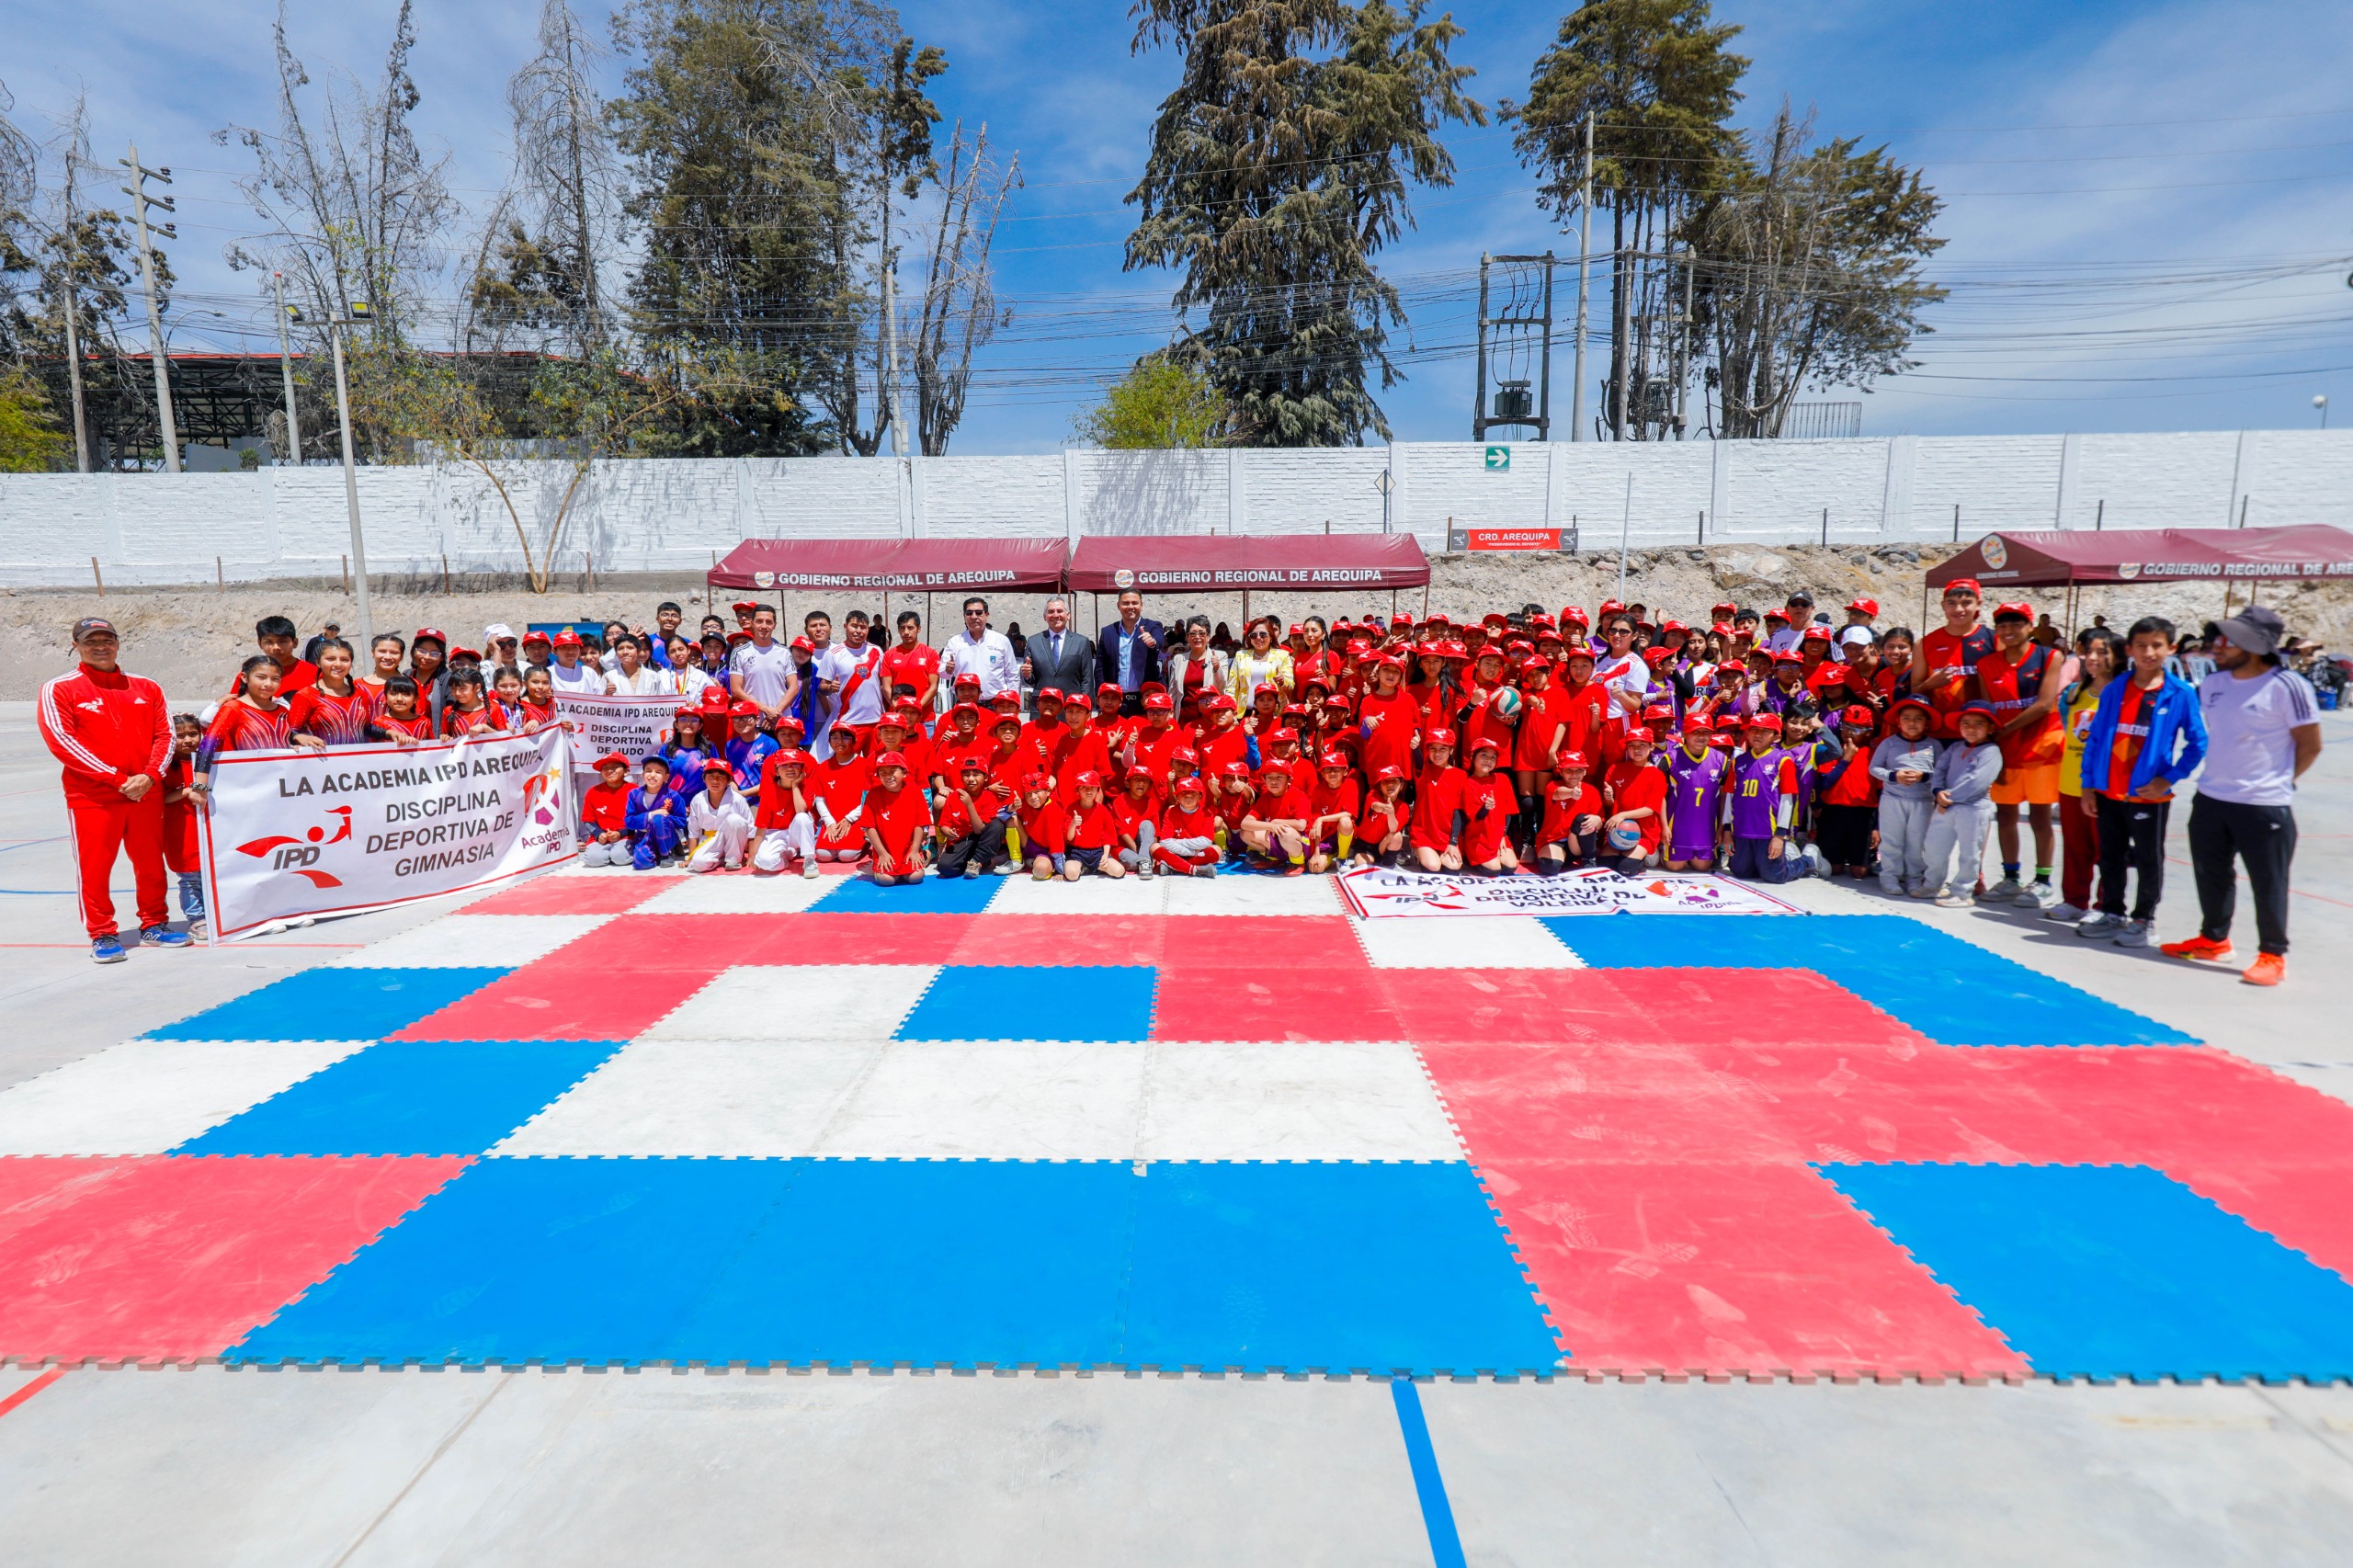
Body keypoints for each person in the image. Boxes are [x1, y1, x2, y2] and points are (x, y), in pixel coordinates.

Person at [2164, 604, 2323, 985]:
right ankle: (2214, 940)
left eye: (2224, 640)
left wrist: (2282, 780)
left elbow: (2310, 745)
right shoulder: (2215, 685)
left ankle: (2272, 954)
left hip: (2264, 804)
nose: (2214, 646)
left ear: (2252, 644)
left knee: (2268, 880)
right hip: (2212, 797)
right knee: (2210, 873)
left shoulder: (2288, 686)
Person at [39, 618, 183, 961]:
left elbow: (166, 735)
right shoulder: (60, 688)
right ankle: (102, 933)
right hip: (93, 797)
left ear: (118, 643)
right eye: (91, 641)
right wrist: (118, 780)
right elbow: (62, 742)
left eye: (107, 639)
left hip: (145, 792)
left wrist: (149, 777)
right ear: (76, 645)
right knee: (95, 867)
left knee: (150, 862)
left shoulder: (146, 687)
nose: (100, 646)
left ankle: (154, 924)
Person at [2077, 616, 2208, 948]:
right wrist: (2088, 785)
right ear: (2129, 649)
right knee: (2110, 856)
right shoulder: (2115, 689)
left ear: (2171, 649)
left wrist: (2168, 778)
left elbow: (2198, 743)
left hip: (2149, 797)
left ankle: (2144, 919)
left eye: (2156, 645)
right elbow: (2094, 740)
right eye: (2141, 645)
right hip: (2108, 791)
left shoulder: (2179, 694)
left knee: (2149, 860)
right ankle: (2111, 912)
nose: (2148, 652)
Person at [1977, 602, 2072, 908]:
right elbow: (1987, 708)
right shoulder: (1987, 664)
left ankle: (2043, 881)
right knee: (2005, 815)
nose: (2008, 631)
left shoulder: (2049, 657)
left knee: (2040, 817)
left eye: (2015, 624)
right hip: (2006, 752)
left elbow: (2045, 704)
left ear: (2030, 627)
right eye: (2002, 626)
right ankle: (2010, 878)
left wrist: (2002, 731)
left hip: (2042, 748)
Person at [2046, 628, 2119, 922]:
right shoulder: (2073, 694)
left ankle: (2105, 905)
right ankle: (2075, 900)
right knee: (2076, 848)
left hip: (2106, 785)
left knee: (2107, 850)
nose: (2094, 658)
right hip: (2071, 781)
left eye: (2103, 652)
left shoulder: (2122, 694)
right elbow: (2070, 734)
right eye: (2089, 651)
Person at [1919, 701, 2003, 907]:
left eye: (1979, 724)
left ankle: (1963, 892)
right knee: (1934, 847)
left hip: (1973, 807)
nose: (1971, 728)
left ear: (1990, 727)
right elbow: (1939, 769)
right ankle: (1932, 884)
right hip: (1944, 804)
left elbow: (1978, 780)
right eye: (1966, 723)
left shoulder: (1991, 751)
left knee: (1970, 852)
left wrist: (1949, 798)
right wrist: (1937, 791)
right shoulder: (1956, 747)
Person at [1871, 697, 1943, 898]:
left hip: (1922, 802)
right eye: (1907, 718)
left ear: (1927, 722)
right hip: (1892, 799)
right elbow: (1874, 768)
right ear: (1898, 721)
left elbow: (1941, 772)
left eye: (1919, 718)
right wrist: (1895, 776)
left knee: (1917, 842)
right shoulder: (1889, 743)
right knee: (1891, 840)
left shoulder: (1933, 745)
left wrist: (1924, 777)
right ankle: (1890, 876)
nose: (1912, 723)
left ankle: (1913, 878)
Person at [1912, 578, 1995, 739]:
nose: (1959, 609)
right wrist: (1931, 684)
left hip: (1982, 733)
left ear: (1978, 604)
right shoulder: (1925, 644)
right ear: (1943, 605)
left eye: (1966, 603)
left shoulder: (1994, 640)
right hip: (1941, 734)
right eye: (1951, 603)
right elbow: (1915, 690)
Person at [287, 638, 379, 748]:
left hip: (358, 762)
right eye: (330, 659)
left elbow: (366, 728)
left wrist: (389, 733)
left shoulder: (360, 694)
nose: (338, 664)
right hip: (324, 761)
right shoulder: (305, 695)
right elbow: (292, 732)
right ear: (318, 662)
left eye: (345, 660)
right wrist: (300, 737)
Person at [752, 748, 823, 878]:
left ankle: (809, 860)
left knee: (802, 817)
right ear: (776, 770)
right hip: (776, 833)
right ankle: (787, 856)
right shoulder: (769, 791)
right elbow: (762, 827)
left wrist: (795, 785)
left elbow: (801, 810)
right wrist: (753, 855)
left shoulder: (807, 785)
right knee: (764, 862)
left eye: (795, 764)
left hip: (797, 832)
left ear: (802, 768)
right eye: (784, 765)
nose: (790, 768)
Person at [1097, 590, 1165, 715]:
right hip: (1116, 701)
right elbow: (1100, 669)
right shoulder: (1107, 632)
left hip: (1146, 700)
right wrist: (1101, 701)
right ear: (1118, 606)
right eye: (1125, 603)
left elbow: (1159, 640)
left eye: (1135, 603)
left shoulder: (1152, 626)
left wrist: (1152, 641)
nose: (1130, 607)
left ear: (1141, 605)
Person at [1023, 597, 1097, 710]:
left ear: (1068, 615)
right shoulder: (1033, 642)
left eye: (1060, 611)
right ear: (1044, 617)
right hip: (1042, 708)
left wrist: (1085, 708)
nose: (1055, 615)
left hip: (1071, 707)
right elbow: (1031, 680)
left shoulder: (1081, 642)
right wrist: (1027, 675)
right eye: (1051, 611)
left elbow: (1087, 680)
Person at [943, 597, 1021, 702]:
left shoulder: (1001, 641)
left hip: (995, 703)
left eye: (979, 612)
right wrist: (947, 670)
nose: (974, 617)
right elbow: (943, 674)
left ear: (987, 615)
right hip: (965, 703)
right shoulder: (955, 642)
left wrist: (1014, 701)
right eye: (969, 613)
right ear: (964, 616)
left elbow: (1012, 675)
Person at [686, 758, 756, 872]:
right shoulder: (698, 800)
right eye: (711, 777)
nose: (715, 781)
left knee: (735, 820)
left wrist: (752, 857)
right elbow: (694, 831)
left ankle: (734, 860)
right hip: (710, 840)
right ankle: (721, 860)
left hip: (734, 840)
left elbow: (752, 830)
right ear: (704, 779)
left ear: (728, 780)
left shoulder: (738, 799)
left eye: (721, 777)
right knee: (698, 865)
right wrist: (690, 858)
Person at [229, 615, 318, 699]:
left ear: (295, 642)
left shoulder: (314, 674)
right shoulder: (248, 674)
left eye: (282, 641)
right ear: (260, 643)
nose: (276, 647)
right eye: (269, 642)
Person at [623, 756, 685, 869]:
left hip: (668, 835)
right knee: (641, 863)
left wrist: (665, 819)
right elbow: (629, 821)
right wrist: (651, 815)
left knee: (658, 819)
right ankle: (656, 852)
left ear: (666, 777)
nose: (652, 775)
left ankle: (666, 853)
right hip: (645, 836)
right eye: (648, 771)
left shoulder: (673, 796)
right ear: (643, 775)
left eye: (658, 772)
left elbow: (681, 821)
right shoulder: (634, 794)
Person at [579, 753, 634, 866]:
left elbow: (640, 820)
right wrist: (598, 834)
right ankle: (606, 854)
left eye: (614, 767)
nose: (609, 771)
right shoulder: (593, 792)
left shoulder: (635, 791)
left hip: (627, 836)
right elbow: (587, 820)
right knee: (593, 860)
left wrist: (621, 833)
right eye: (605, 768)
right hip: (601, 837)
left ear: (626, 771)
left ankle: (616, 853)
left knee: (620, 858)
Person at [880, 610, 941, 710]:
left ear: (918, 629)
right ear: (898, 630)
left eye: (910, 628)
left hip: (924, 718)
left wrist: (916, 709)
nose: (906, 632)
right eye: (902, 628)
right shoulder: (889, 655)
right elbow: (886, 687)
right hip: (898, 715)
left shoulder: (931, 654)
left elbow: (933, 687)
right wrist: (898, 708)